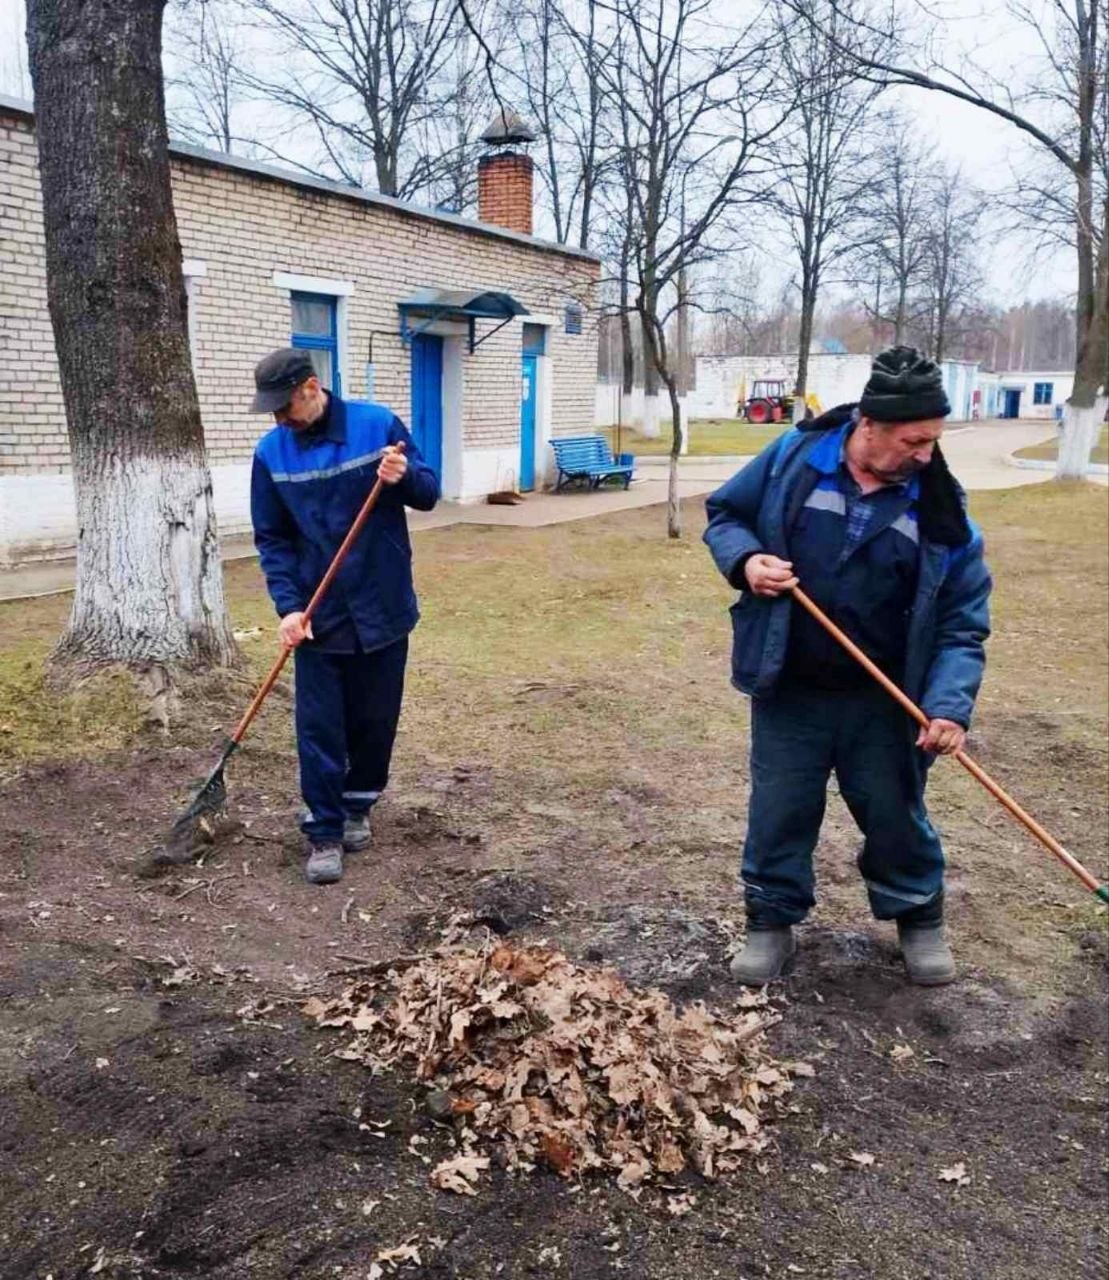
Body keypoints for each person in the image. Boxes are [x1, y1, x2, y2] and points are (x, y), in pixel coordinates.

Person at [703, 347, 992, 986]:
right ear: (868, 425)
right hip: (790, 683)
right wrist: (747, 562)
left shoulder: (940, 508)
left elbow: (962, 622)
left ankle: (919, 917)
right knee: (780, 809)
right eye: (914, 440)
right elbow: (727, 514)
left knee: (894, 811)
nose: (926, 454)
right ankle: (770, 923)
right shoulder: (794, 459)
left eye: (933, 440)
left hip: (888, 699)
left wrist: (947, 704)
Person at [249, 349, 439, 885]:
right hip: (318, 613)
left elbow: (428, 493)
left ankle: (359, 805)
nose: (278, 418)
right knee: (319, 727)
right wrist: (288, 607)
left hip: (383, 604)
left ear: (311, 387)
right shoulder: (271, 453)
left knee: (375, 722)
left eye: (283, 406)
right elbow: (272, 538)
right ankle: (325, 830)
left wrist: (403, 476)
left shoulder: (376, 425)